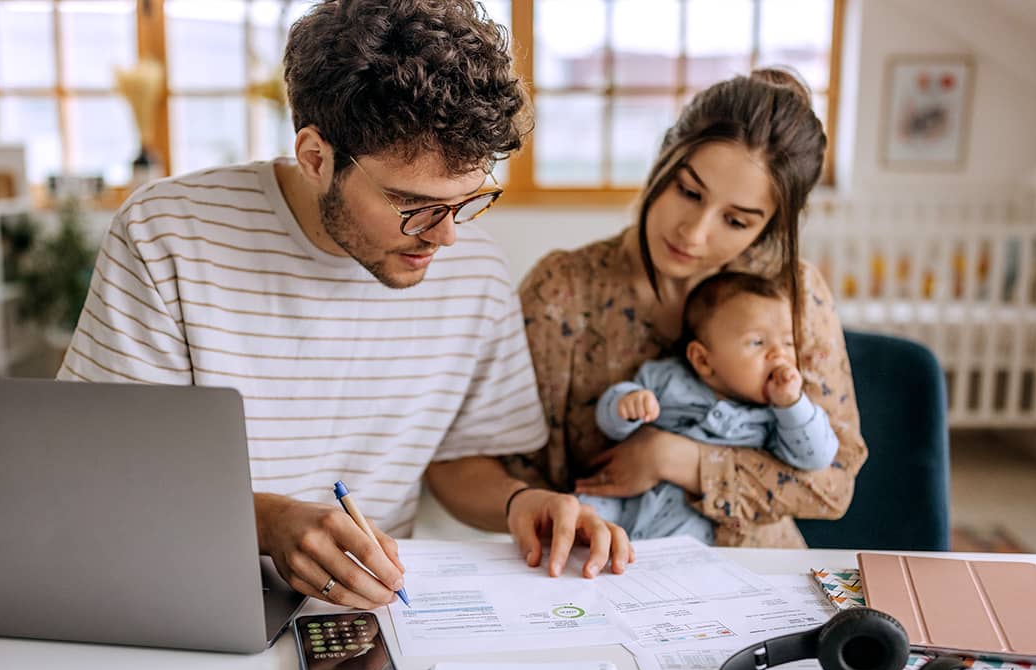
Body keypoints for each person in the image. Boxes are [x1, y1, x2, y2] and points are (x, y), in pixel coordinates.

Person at [57, 0, 633, 610]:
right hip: (188, 591)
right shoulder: (168, 234)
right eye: (413, 205)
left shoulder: (475, 270)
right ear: (315, 157)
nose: (446, 236)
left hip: (370, 612)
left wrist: (521, 503)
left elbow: (459, 464)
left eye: (468, 200)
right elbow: (103, 473)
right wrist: (267, 522)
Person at [506, 68, 868, 548]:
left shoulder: (794, 293)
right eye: (689, 192)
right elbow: (510, 471)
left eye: (736, 220)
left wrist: (673, 458)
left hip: (756, 580)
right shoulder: (562, 291)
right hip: (598, 569)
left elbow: (833, 483)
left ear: (769, 226)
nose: (693, 233)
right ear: (663, 158)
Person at [585, 271, 839, 543]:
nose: (780, 354)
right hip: (626, 499)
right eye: (757, 342)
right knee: (583, 512)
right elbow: (610, 425)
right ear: (703, 360)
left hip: (691, 517)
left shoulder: (776, 416)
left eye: (789, 343)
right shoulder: (667, 378)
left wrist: (791, 404)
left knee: (684, 553)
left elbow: (816, 457)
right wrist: (626, 404)